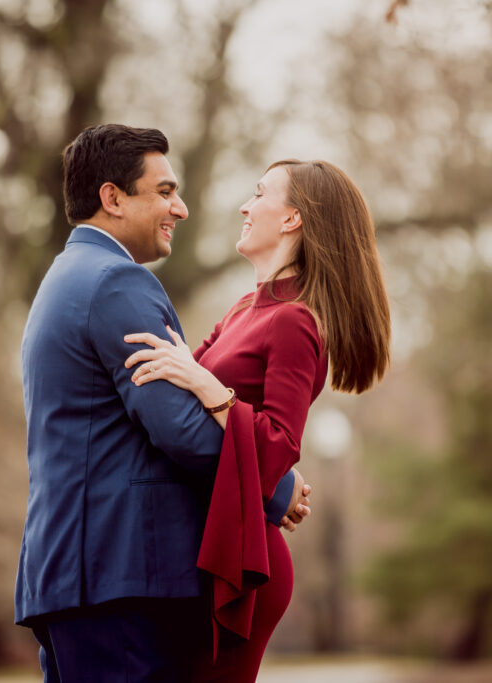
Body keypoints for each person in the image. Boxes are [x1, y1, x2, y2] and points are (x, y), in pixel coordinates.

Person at [15, 124, 310, 683]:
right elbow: (178, 429)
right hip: (116, 581)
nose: (182, 208)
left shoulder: (65, 277)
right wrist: (278, 489)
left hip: (71, 576)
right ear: (113, 197)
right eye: (165, 192)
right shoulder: (116, 283)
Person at [122, 158, 392, 681]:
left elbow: (275, 447)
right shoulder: (246, 307)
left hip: (246, 561)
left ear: (292, 218)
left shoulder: (295, 322)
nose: (246, 206)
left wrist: (207, 386)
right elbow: (179, 400)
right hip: (207, 541)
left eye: (260, 194)